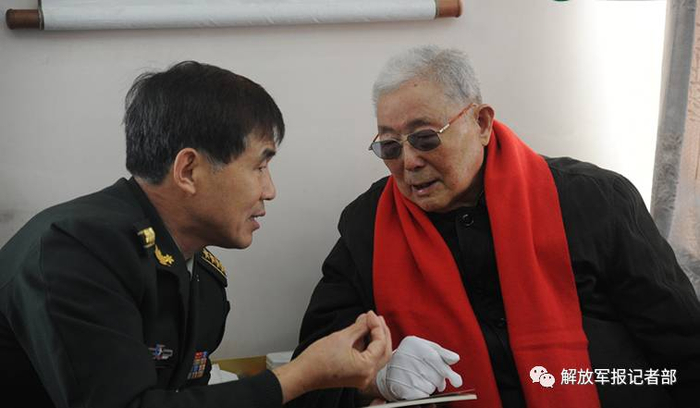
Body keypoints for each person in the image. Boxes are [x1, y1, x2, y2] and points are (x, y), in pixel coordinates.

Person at [289, 46, 700, 408]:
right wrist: (375, 379)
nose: (409, 162)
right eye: (390, 147)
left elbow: (684, 348)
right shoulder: (368, 228)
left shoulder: (594, 200)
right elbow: (309, 378)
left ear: (481, 123)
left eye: (426, 138)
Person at [0, 61, 393, 407]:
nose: (270, 190)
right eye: (259, 167)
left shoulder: (202, 277)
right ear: (187, 170)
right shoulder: (76, 251)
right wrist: (301, 375)